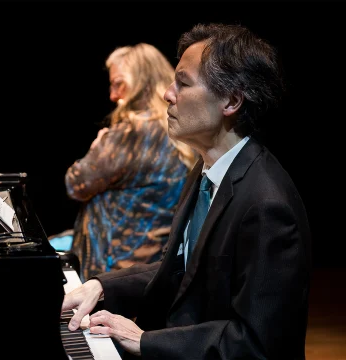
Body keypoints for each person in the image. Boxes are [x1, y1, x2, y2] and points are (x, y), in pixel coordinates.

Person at [61, 23, 312, 360]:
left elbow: (257, 344)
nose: (167, 93)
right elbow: (182, 269)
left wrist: (144, 340)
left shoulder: (267, 206)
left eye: (183, 83)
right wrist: (102, 286)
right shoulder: (207, 168)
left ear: (231, 100)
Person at [63, 43, 197, 282]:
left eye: (119, 84)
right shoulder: (184, 130)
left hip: (112, 268)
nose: (113, 95)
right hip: (152, 264)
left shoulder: (132, 132)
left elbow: (75, 184)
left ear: (142, 81)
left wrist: (97, 147)